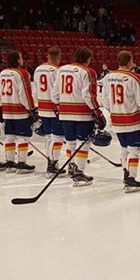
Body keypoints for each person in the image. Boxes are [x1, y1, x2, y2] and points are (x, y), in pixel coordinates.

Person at [101, 50, 140, 193]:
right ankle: (131, 179)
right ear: (130, 61)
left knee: (124, 149)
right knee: (134, 150)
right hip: (134, 120)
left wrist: (115, 111)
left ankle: (126, 175)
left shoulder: (108, 77)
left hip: (117, 120)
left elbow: (105, 101)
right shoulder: (135, 77)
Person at [57, 47, 104, 187]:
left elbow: (54, 93)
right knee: (84, 142)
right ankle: (79, 172)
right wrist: (97, 112)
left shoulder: (61, 70)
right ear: (88, 59)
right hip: (82, 114)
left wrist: (60, 106)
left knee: (70, 142)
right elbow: (88, 95)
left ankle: (72, 167)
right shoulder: (88, 72)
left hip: (65, 113)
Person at [0, 51, 37, 174]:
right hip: (20, 110)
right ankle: (21, 163)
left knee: (9, 137)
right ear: (18, 60)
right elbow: (24, 93)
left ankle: (10, 163)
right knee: (23, 137)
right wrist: (31, 108)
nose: (22, 60)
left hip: (7, 109)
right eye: (21, 58)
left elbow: (0, 92)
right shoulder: (22, 73)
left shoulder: (3, 73)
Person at [34, 46, 65, 175]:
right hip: (54, 108)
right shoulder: (58, 70)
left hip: (42, 107)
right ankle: (52, 165)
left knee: (49, 137)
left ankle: (51, 162)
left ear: (48, 56)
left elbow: (35, 92)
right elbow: (58, 91)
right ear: (59, 57)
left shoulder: (38, 69)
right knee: (58, 137)